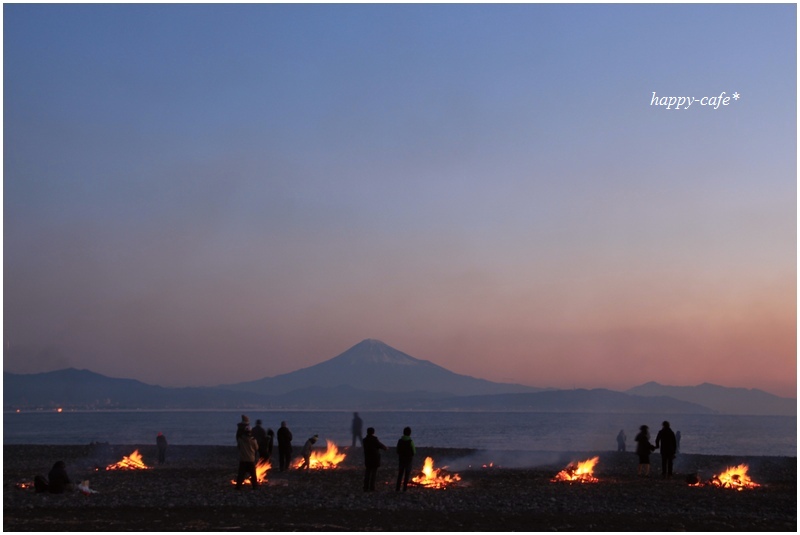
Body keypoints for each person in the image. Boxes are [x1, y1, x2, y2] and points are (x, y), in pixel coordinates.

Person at [363, 427, 388, 491]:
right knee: (373, 473)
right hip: (374, 458)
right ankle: (372, 487)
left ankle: (366, 487)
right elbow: (380, 445)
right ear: (373, 432)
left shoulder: (364, 440)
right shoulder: (374, 439)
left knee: (367, 473)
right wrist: (385, 448)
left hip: (367, 458)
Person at [235, 424, 260, 490]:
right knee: (253, 475)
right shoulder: (253, 440)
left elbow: (239, 447)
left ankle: (238, 486)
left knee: (241, 474)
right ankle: (255, 486)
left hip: (243, 459)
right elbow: (257, 448)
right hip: (251, 460)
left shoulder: (241, 439)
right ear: (251, 432)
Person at [395, 426, 416, 492]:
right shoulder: (410, 441)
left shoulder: (400, 441)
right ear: (410, 433)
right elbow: (414, 451)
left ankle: (397, 488)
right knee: (407, 474)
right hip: (408, 460)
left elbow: (397, 450)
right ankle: (404, 488)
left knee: (400, 474)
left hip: (401, 459)